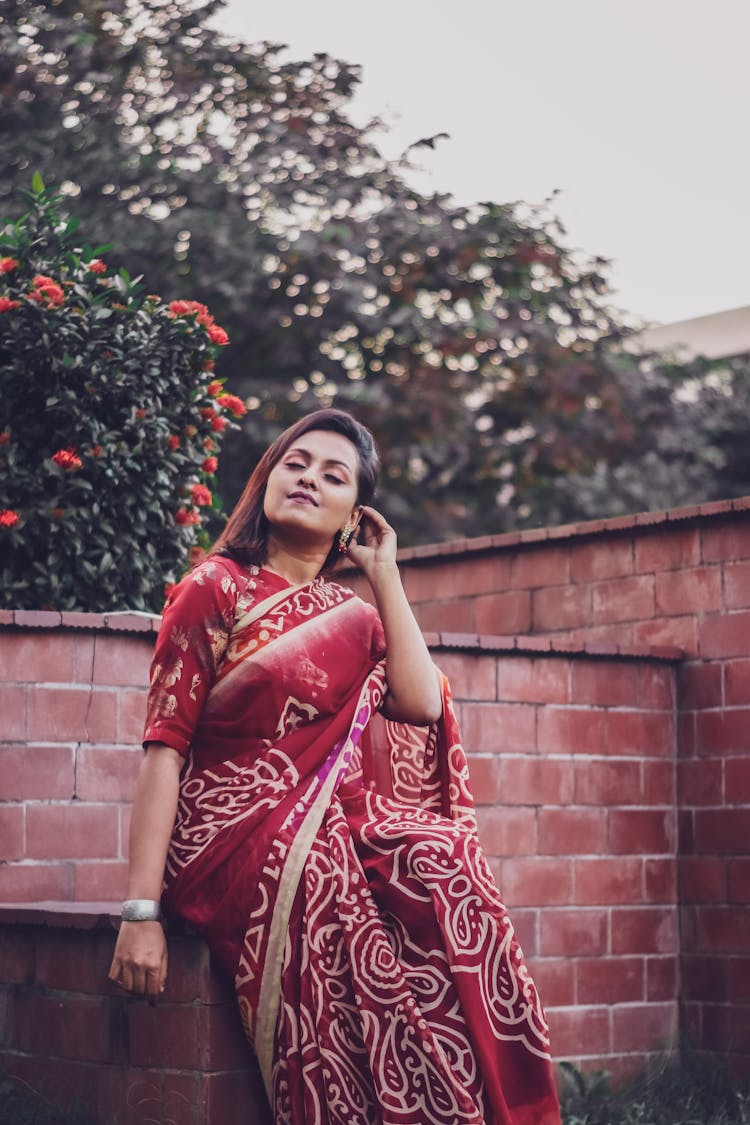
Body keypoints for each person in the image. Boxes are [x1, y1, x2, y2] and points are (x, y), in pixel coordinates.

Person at [109, 408, 561, 1125]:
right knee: (326, 879)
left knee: (443, 855)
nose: (309, 478)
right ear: (266, 478)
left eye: (334, 473)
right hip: (230, 832)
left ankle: (463, 1094)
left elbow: (418, 704)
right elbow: (165, 746)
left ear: (356, 510)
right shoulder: (216, 587)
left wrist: (385, 576)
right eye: (295, 462)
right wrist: (140, 911)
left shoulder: (352, 615)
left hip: (333, 816)